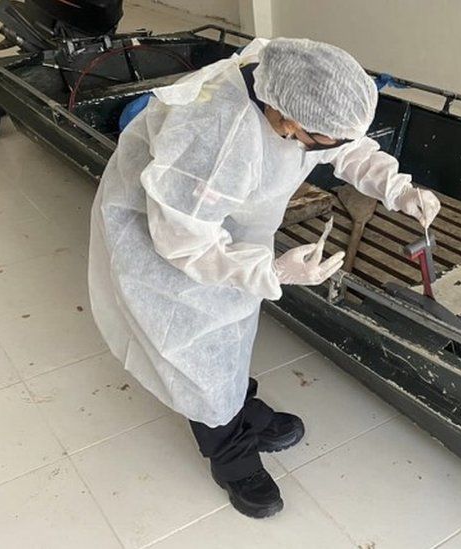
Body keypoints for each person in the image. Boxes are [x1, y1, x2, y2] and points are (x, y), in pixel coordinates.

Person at [88, 37, 441, 518]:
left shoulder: (288, 82)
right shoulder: (215, 134)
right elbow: (184, 243)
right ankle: (231, 458)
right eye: (323, 141)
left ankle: (242, 407)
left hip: (225, 226)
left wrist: (397, 189)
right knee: (196, 350)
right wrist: (270, 270)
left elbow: (344, 145)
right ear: (290, 123)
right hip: (170, 243)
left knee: (230, 333)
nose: (334, 149)